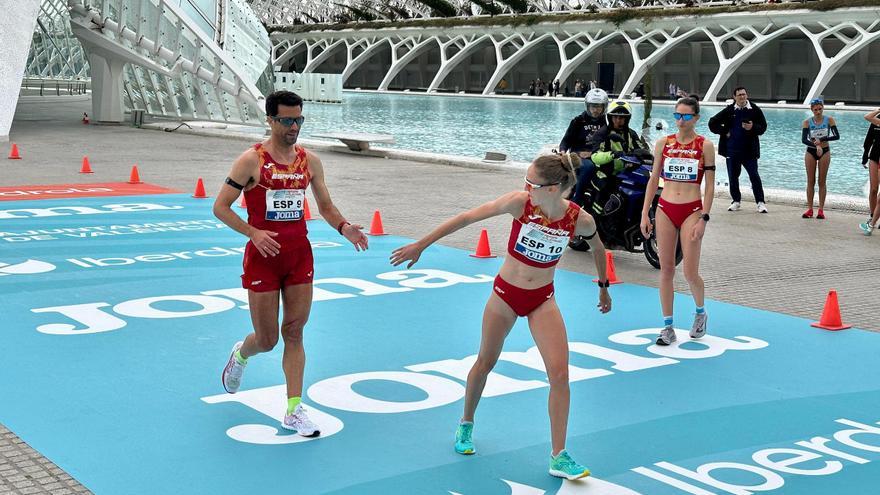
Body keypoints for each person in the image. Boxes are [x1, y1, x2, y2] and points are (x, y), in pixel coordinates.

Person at [390, 153, 612, 480]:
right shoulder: (520, 204)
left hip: (542, 299)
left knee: (560, 375)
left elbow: (598, 249)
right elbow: (467, 218)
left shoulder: (580, 220)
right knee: (485, 361)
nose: (525, 187)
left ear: (552, 189)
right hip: (505, 295)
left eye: (531, 183)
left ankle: (559, 455)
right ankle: (466, 423)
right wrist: (422, 244)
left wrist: (604, 287)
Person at [214, 90, 369, 436]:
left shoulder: (309, 161)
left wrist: (345, 228)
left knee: (294, 332)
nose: (293, 127)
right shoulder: (250, 161)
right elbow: (220, 207)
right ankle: (241, 354)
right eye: (286, 121)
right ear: (270, 120)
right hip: (263, 258)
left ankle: (294, 409)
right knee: (268, 339)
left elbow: (325, 205)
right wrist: (253, 233)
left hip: (299, 255)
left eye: (298, 120)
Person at [641, 95, 716, 346]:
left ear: (696, 118)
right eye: (677, 115)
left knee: (690, 272)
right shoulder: (664, 143)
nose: (680, 121)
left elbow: (710, 185)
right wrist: (645, 213)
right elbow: (653, 179)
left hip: (692, 210)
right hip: (665, 208)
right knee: (666, 270)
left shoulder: (704, 145)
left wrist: (704, 217)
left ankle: (700, 312)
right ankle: (668, 326)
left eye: (685, 116)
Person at [709, 86, 768, 213]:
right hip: (732, 151)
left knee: (754, 176)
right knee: (733, 177)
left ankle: (760, 202)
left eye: (744, 94)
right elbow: (712, 123)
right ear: (734, 97)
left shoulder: (754, 110)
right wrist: (724, 131)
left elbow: (763, 128)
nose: (742, 97)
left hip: (749, 151)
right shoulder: (729, 110)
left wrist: (752, 127)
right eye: (740, 95)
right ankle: (736, 201)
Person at [559, 88, 609, 210]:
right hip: (578, 155)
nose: (595, 110)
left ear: (604, 107)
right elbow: (566, 140)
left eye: (599, 107)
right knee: (588, 167)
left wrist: (593, 153)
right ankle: (577, 198)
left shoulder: (607, 122)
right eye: (592, 106)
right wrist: (562, 152)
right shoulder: (578, 121)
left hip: (597, 155)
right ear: (587, 106)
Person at [800, 97, 839, 219]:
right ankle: (810, 209)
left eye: (820, 109)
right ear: (812, 110)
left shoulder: (829, 120)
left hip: (825, 150)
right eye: (815, 109)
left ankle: (821, 209)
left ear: (823, 108)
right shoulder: (807, 122)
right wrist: (815, 146)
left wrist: (822, 140)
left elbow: (836, 136)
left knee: (822, 181)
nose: (818, 112)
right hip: (811, 151)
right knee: (810, 181)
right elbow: (804, 139)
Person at [860, 108, 880, 235]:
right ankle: (872, 217)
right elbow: (867, 117)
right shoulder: (878, 120)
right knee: (873, 189)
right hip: (875, 157)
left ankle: (875, 219)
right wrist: (865, 155)